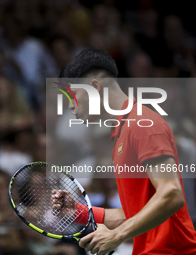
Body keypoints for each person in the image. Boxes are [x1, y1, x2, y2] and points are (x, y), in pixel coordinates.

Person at [51, 49, 196, 255]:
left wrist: (116, 235)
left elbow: (172, 194)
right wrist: (81, 212)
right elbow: (137, 214)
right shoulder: (122, 132)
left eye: (72, 95)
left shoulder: (142, 124)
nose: (71, 107)